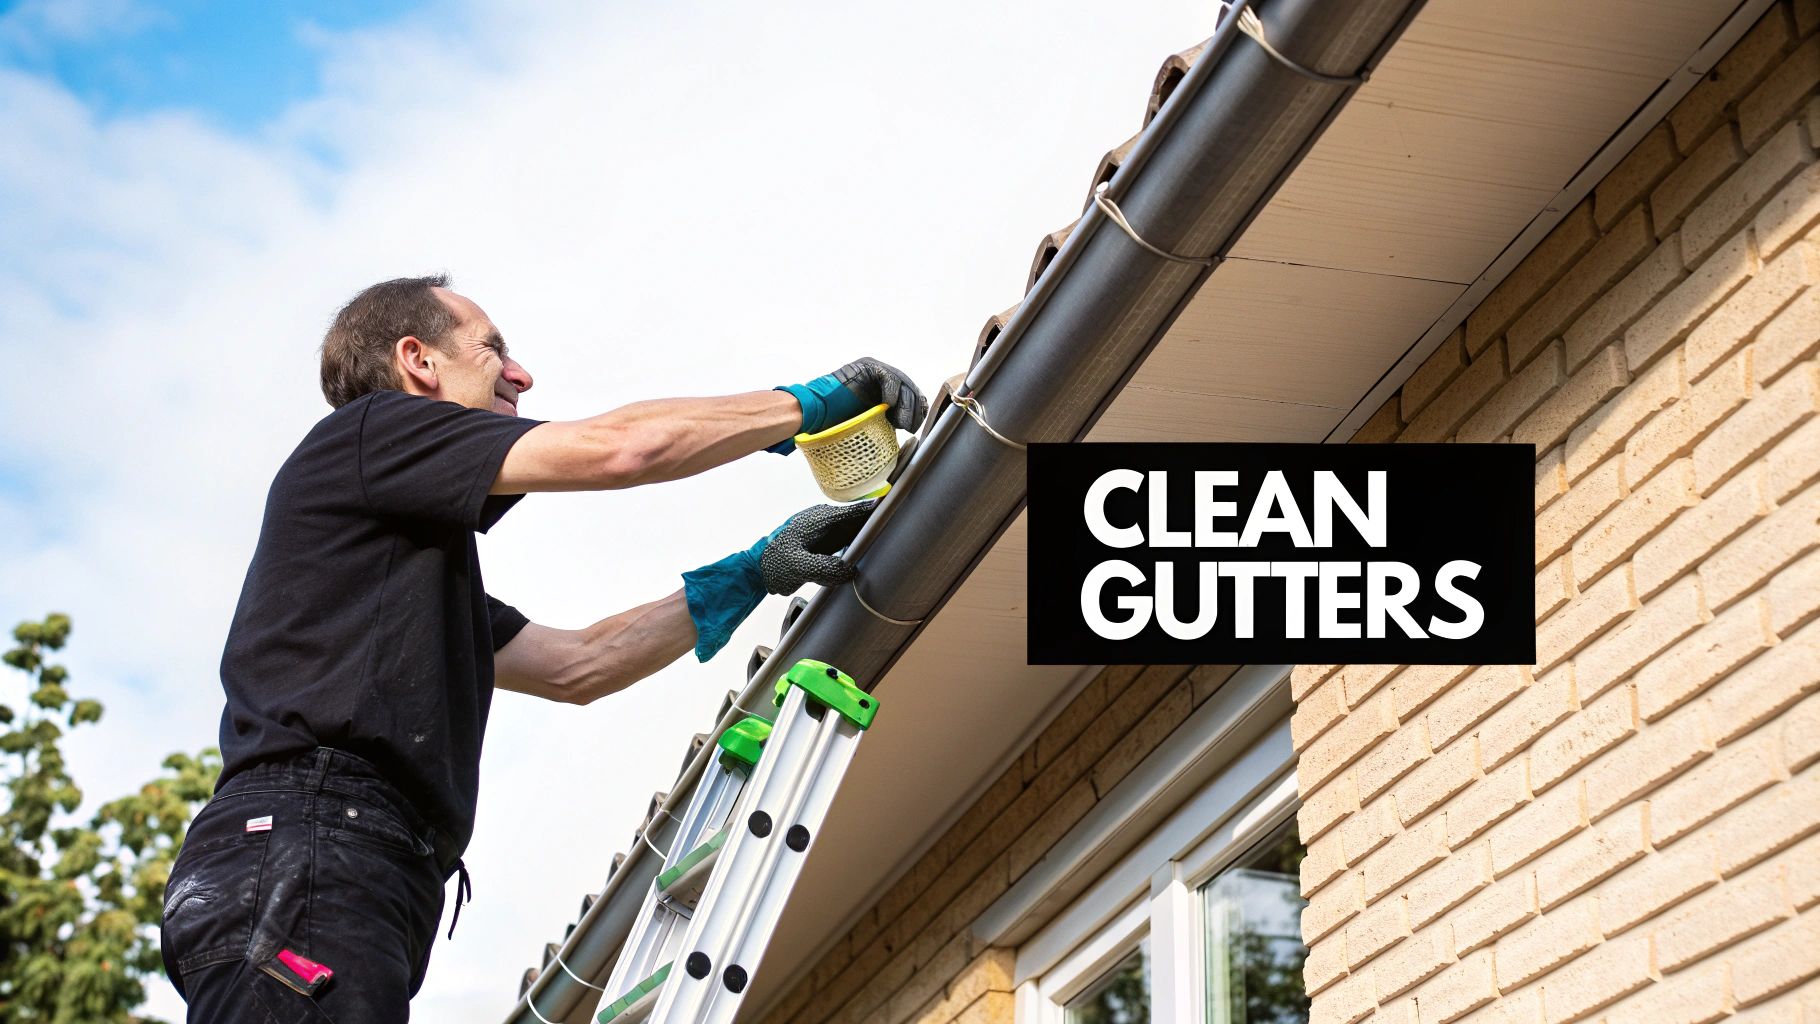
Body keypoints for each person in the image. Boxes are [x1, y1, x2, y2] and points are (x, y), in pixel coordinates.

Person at [158, 274, 927, 1022]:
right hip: (313, 850)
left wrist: (751, 572)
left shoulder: (401, 579)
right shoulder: (369, 432)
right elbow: (627, 449)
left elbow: (579, 665)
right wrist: (806, 403)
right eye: (493, 350)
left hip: (346, 867)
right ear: (417, 362)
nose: (521, 375)